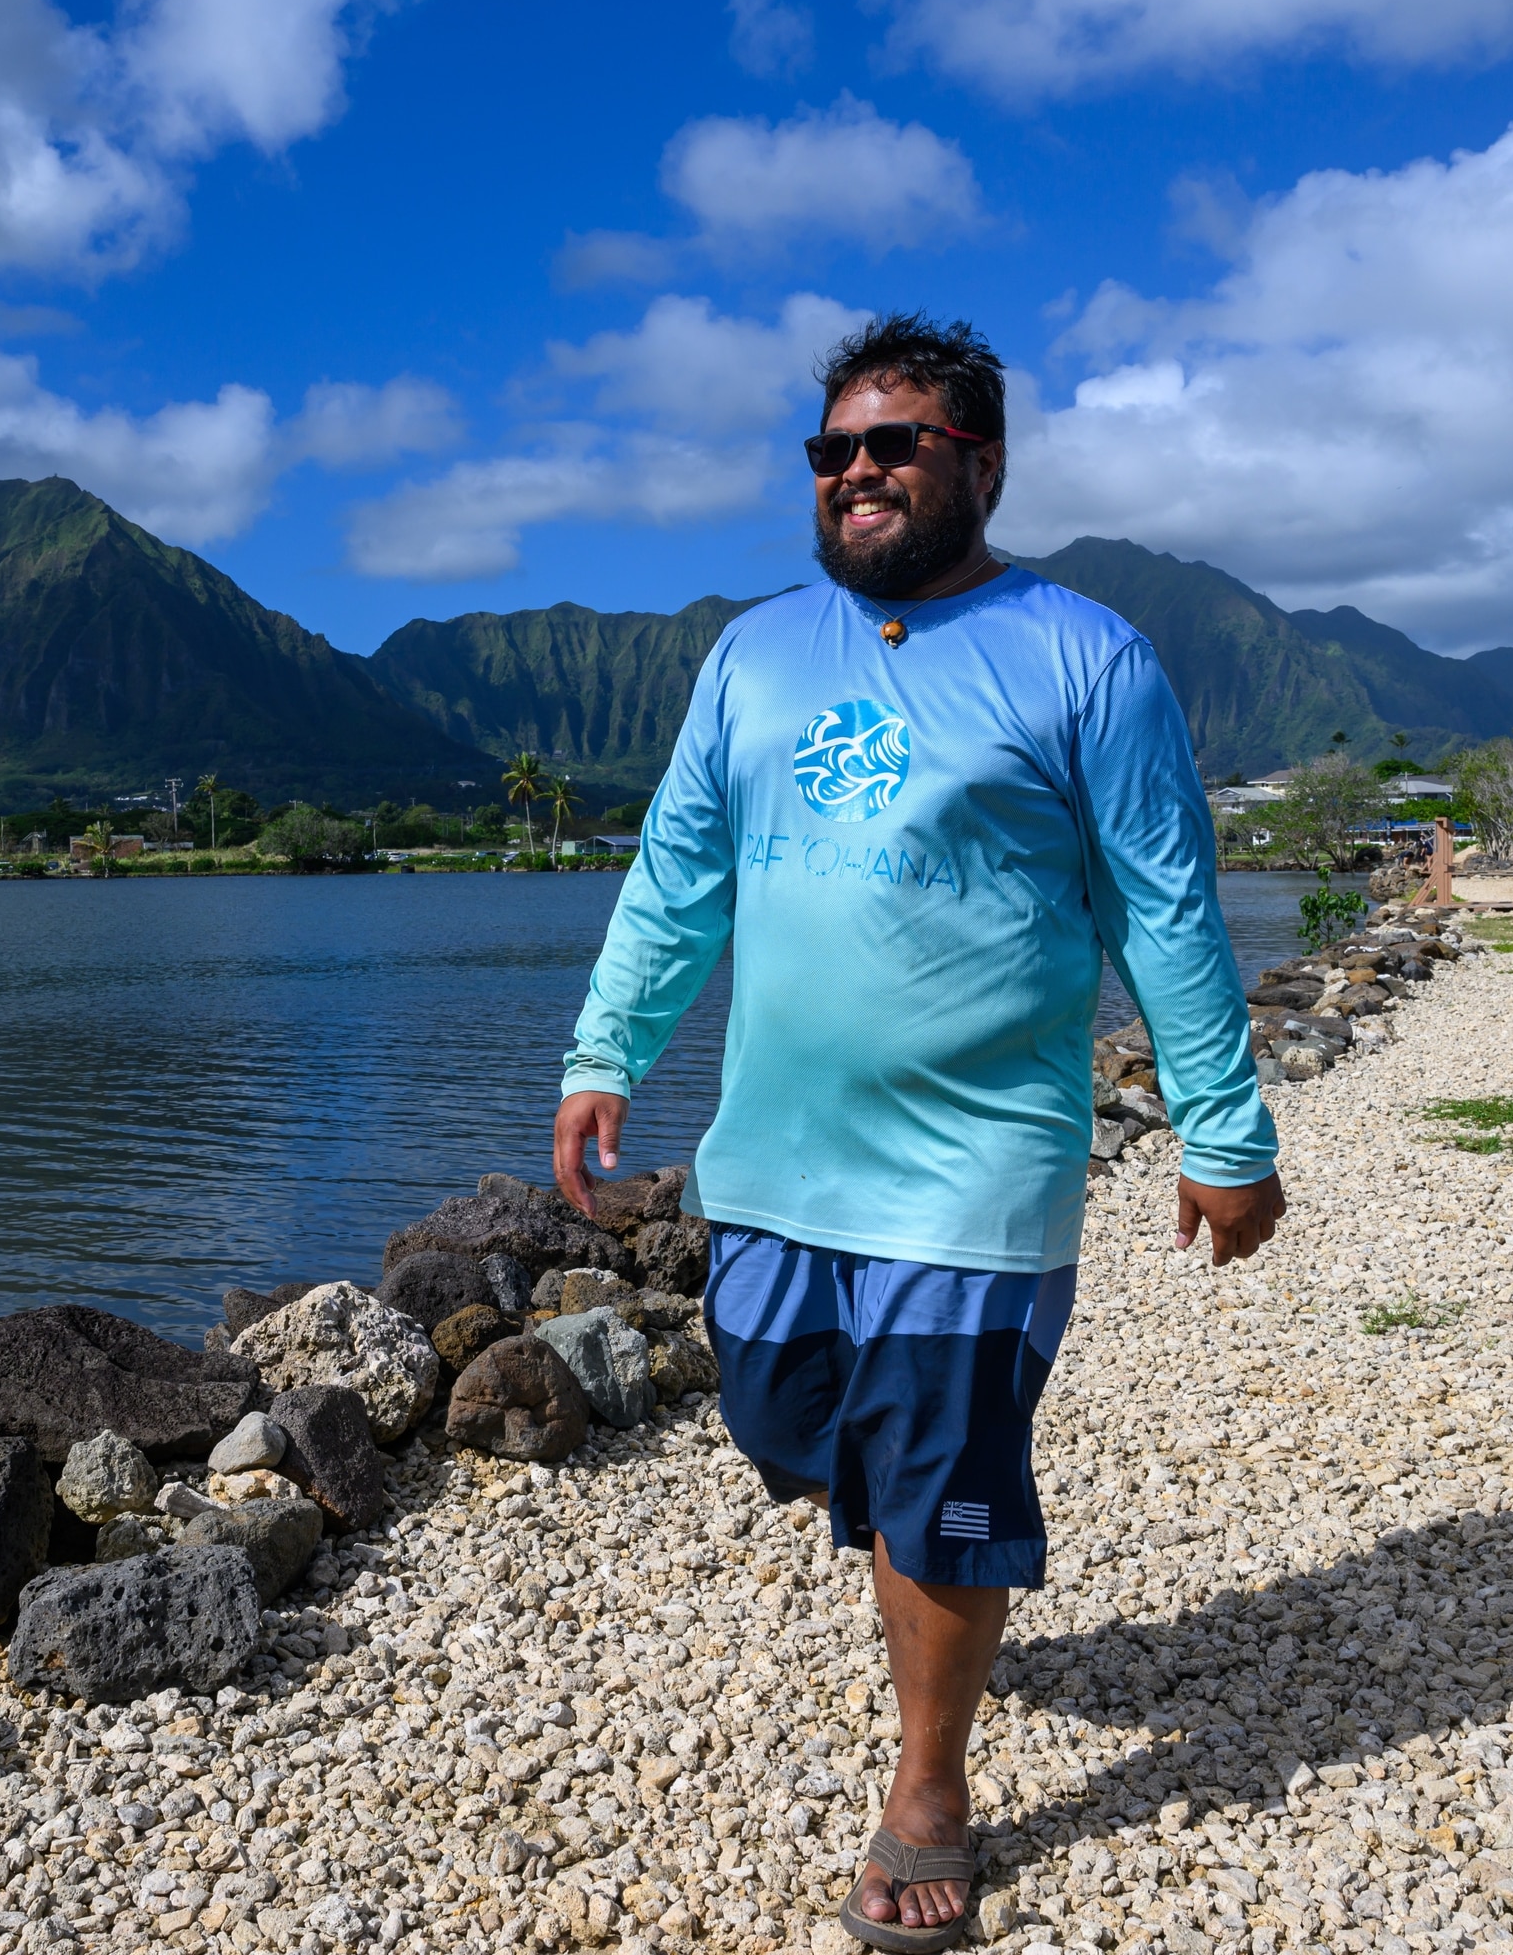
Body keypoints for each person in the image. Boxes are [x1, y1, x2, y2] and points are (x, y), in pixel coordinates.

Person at [549, 312, 1285, 1950]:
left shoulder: (1087, 657)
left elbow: (1165, 909)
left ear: (982, 461)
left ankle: (930, 1787)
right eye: (832, 451)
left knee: (943, 1480)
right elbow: (681, 875)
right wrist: (609, 1052)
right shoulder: (751, 653)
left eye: (893, 444)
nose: (857, 472)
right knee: (794, 1433)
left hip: (974, 1171)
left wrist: (1221, 1128)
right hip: (771, 1169)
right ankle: (937, 1570)